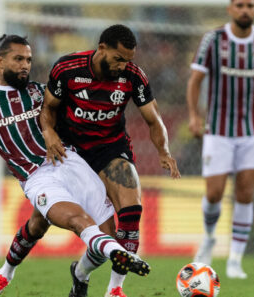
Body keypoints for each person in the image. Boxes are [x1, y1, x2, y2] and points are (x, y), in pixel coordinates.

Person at [0, 35, 150, 297]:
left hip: (71, 162)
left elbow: (79, 112)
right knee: (77, 220)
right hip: (36, 177)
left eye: (29, 60)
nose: (25, 65)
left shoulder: (40, 91)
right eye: (19, 59)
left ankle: (79, 274)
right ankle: (6, 275)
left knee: (96, 231)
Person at [40, 24, 180, 297]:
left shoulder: (133, 76)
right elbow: (48, 109)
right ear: (101, 48)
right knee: (101, 235)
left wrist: (164, 151)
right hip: (72, 153)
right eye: (118, 59)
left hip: (110, 149)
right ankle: (79, 274)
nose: (122, 66)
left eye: (128, 60)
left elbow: (154, 119)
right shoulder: (67, 69)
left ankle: (115, 290)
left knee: (131, 214)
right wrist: (48, 133)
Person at [186, 0, 254, 279]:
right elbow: (195, 81)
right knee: (214, 193)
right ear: (230, 9)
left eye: (250, 5)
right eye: (240, 5)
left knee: (245, 194)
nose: (245, 10)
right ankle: (209, 237)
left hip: (253, 132)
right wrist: (193, 115)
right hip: (218, 130)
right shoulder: (213, 39)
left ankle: (235, 260)